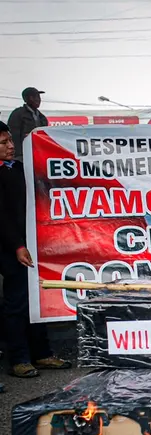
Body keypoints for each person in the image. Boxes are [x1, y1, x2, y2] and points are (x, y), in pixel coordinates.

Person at [0, 122, 70, 379]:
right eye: (4, 143)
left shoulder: (18, 168)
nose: (11, 146)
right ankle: (19, 359)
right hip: (10, 248)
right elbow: (2, 217)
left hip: (32, 245)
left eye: (10, 140)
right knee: (17, 302)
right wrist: (18, 245)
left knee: (36, 300)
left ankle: (41, 353)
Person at [6, 87, 48, 161]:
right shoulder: (18, 114)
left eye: (38, 97)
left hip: (38, 154)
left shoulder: (42, 117)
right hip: (22, 155)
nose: (38, 99)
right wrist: (17, 155)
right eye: (34, 97)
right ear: (26, 99)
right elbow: (13, 136)